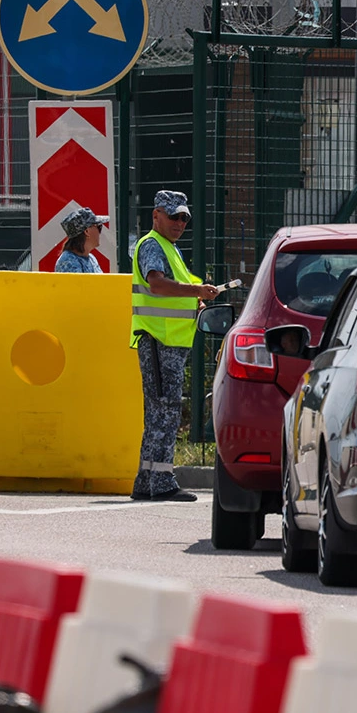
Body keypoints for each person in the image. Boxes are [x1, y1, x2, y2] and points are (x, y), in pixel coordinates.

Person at [129, 190, 219, 502]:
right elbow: (157, 283)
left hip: (165, 342)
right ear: (155, 216)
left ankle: (145, 481)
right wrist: (197, 290)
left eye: (184, 217)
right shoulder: (154, 245)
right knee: (165, 412)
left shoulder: (167, 247)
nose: (179, 222)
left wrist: (194, 297)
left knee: (158, 411)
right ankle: (162, 482)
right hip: (159, 340)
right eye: (173, 216)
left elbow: (167, 288)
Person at [55, 208, 106, 273]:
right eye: (98, 227)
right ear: (87, 231)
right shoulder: (68, 262)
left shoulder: (91, 259)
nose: (99, 232)